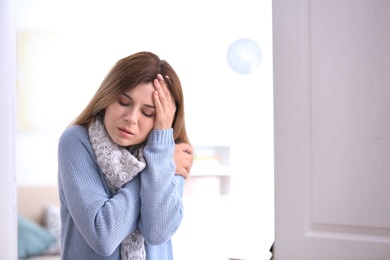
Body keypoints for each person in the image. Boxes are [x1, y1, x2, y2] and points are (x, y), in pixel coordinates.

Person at [57, 51, 193, 260]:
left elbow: (156, 232)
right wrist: (157, 167)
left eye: (147, 113)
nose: (131, 118)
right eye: (123, 101)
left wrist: (161, 155)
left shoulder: (170, 152)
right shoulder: (76, 141)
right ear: (108, 96)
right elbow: (102, 235)